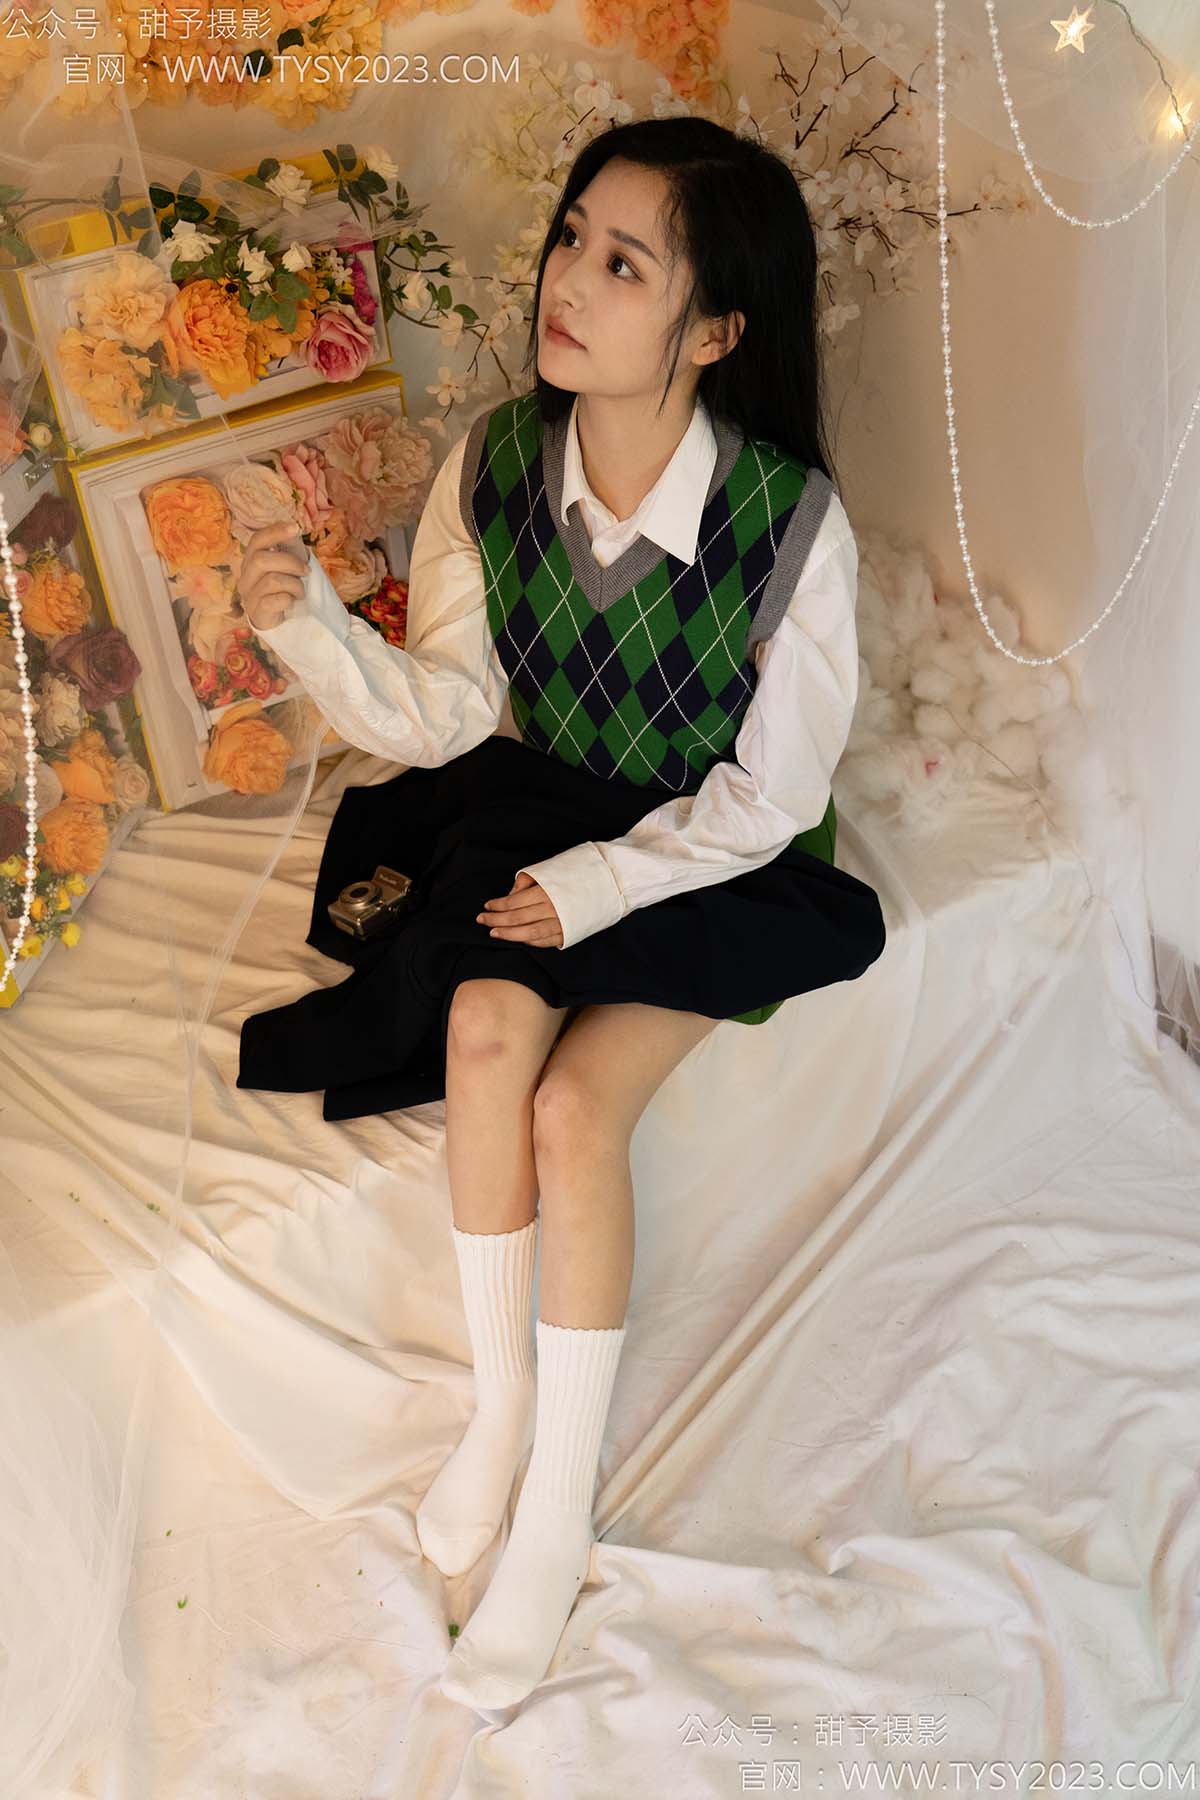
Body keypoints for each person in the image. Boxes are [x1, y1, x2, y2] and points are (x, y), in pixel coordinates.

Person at [234, 116, 887, 1711]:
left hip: (717, 850)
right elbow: (456, 714)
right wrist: (312, 630)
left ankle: (561, 1512)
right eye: (573, 237)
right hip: (546, 799)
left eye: (626, 263)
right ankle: (503, 1413)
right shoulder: (494, 464)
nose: (569, 283)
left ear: (714, 330)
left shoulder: (793, 523)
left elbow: (766, 797)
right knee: (476, 1028)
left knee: (575, 1110)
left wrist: (592, 889)